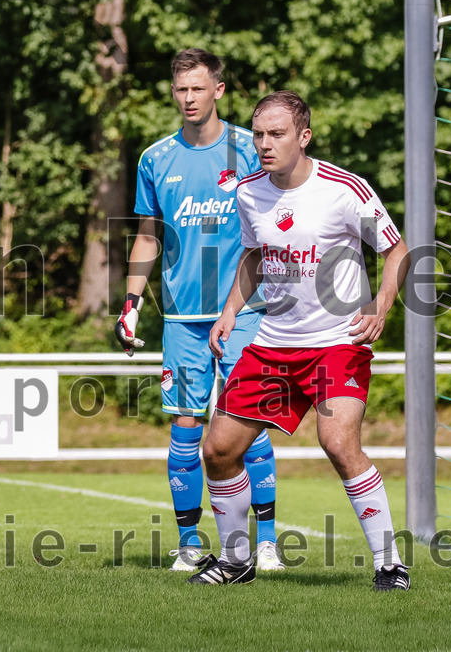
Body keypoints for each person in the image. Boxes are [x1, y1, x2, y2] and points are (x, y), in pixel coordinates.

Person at [189, 91, 411, 590]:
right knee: (218, 450)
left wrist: (381, 304)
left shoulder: (343, 189)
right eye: (259, 135)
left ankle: (389, 563)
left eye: (277, 134)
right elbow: (253, 257)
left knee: (337, 442)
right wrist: (230, 312)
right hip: (272, 344)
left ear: (303, 136)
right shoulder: (247, 192)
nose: (265, 144)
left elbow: (395, 250)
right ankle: (237, 560)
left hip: (337, 342)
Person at [115, 48, 283, 572]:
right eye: (180, 90)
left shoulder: (249, 150)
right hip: (182, 319)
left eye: (197, 88)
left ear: (218, 91)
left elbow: (277, 222)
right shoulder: (154, 158)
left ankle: (268, 542)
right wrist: (131, 304)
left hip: (247, 311)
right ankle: (190, 544)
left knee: (247, 423)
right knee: (186, 427)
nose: (188, 98)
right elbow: (148, 236)